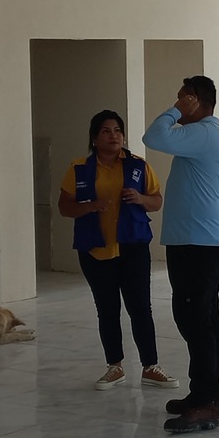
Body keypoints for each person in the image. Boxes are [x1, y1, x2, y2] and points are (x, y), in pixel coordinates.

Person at [143, 75, 219, 432]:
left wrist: (174, 110)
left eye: (183, 97)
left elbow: (153, 137)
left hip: (198, 243)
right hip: (206, 240)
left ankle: (207, 401)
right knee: (205, 319)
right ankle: (206, 394)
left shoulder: (201, 134)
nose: (179, 103)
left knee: (195, 320)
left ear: (195, 100)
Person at [58, 110, 172, 390]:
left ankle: (150, 366)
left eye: (118, 130)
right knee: (107, 309)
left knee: (140, 308)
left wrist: (140, 198)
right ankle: (115, 367)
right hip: (95, 250)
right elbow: (64, 206)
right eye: (106, 131)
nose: (114, 136)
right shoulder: (79, 168)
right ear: (95, 138)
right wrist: (90, 206)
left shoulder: (138, 165)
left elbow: (157, 201)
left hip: (132, 247)